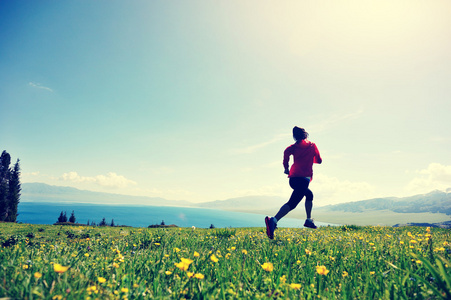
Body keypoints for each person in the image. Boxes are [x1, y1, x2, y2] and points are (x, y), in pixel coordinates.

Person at [265, 126, 322, 239]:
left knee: (309, 194)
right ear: (305, 134)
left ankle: (308, 220)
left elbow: (286, 153)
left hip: (293, 179)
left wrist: (286, 168)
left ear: (294, 136)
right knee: (292, 203)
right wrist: (310, 158)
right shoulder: (312, 146)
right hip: (303, 179)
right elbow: (319, 161)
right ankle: (273, 220)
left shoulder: (293, 147)